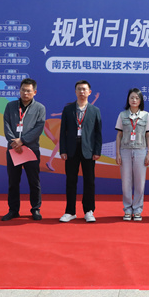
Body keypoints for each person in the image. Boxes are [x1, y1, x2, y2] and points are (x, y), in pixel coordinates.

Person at [1, 78, 46, 221]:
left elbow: (39, 128)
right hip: (13, 150)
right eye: (23, 90)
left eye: (28, 91)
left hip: (31, 149)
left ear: (34, 92)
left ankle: (35, 209)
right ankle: (13, 210)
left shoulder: (40, 108)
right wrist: (14, 142)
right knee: (13, 182)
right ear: (19, 91)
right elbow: (6, 125)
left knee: (34, 181)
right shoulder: (10, 106)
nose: (25, 93)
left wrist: (22, 141)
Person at [59, 80, 102, 223]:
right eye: (79, 89)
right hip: (71, 149)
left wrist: (97, 151)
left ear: (89, 92)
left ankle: (89, 211)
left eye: (84, 89)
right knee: (71, 181)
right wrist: (63, 150)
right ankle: (70, 211)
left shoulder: (95, 111)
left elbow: (98, 133)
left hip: (88, 150)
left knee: (89, 181)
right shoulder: (68, 110)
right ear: (75, 92)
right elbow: (62, 132)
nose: (82, 92)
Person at [115, 88, 149, 221]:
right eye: (132, 97)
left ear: (140, 100)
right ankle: (127, 209)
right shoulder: (122, 115)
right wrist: (117, 153)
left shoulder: (146, 115)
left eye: (137, 98)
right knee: (126, 181)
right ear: (128, 99)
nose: (134, 100)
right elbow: (119, 135)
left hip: (140, 150)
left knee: (140, 182)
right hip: (125, 150)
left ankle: (137, 210)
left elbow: (148, 135)